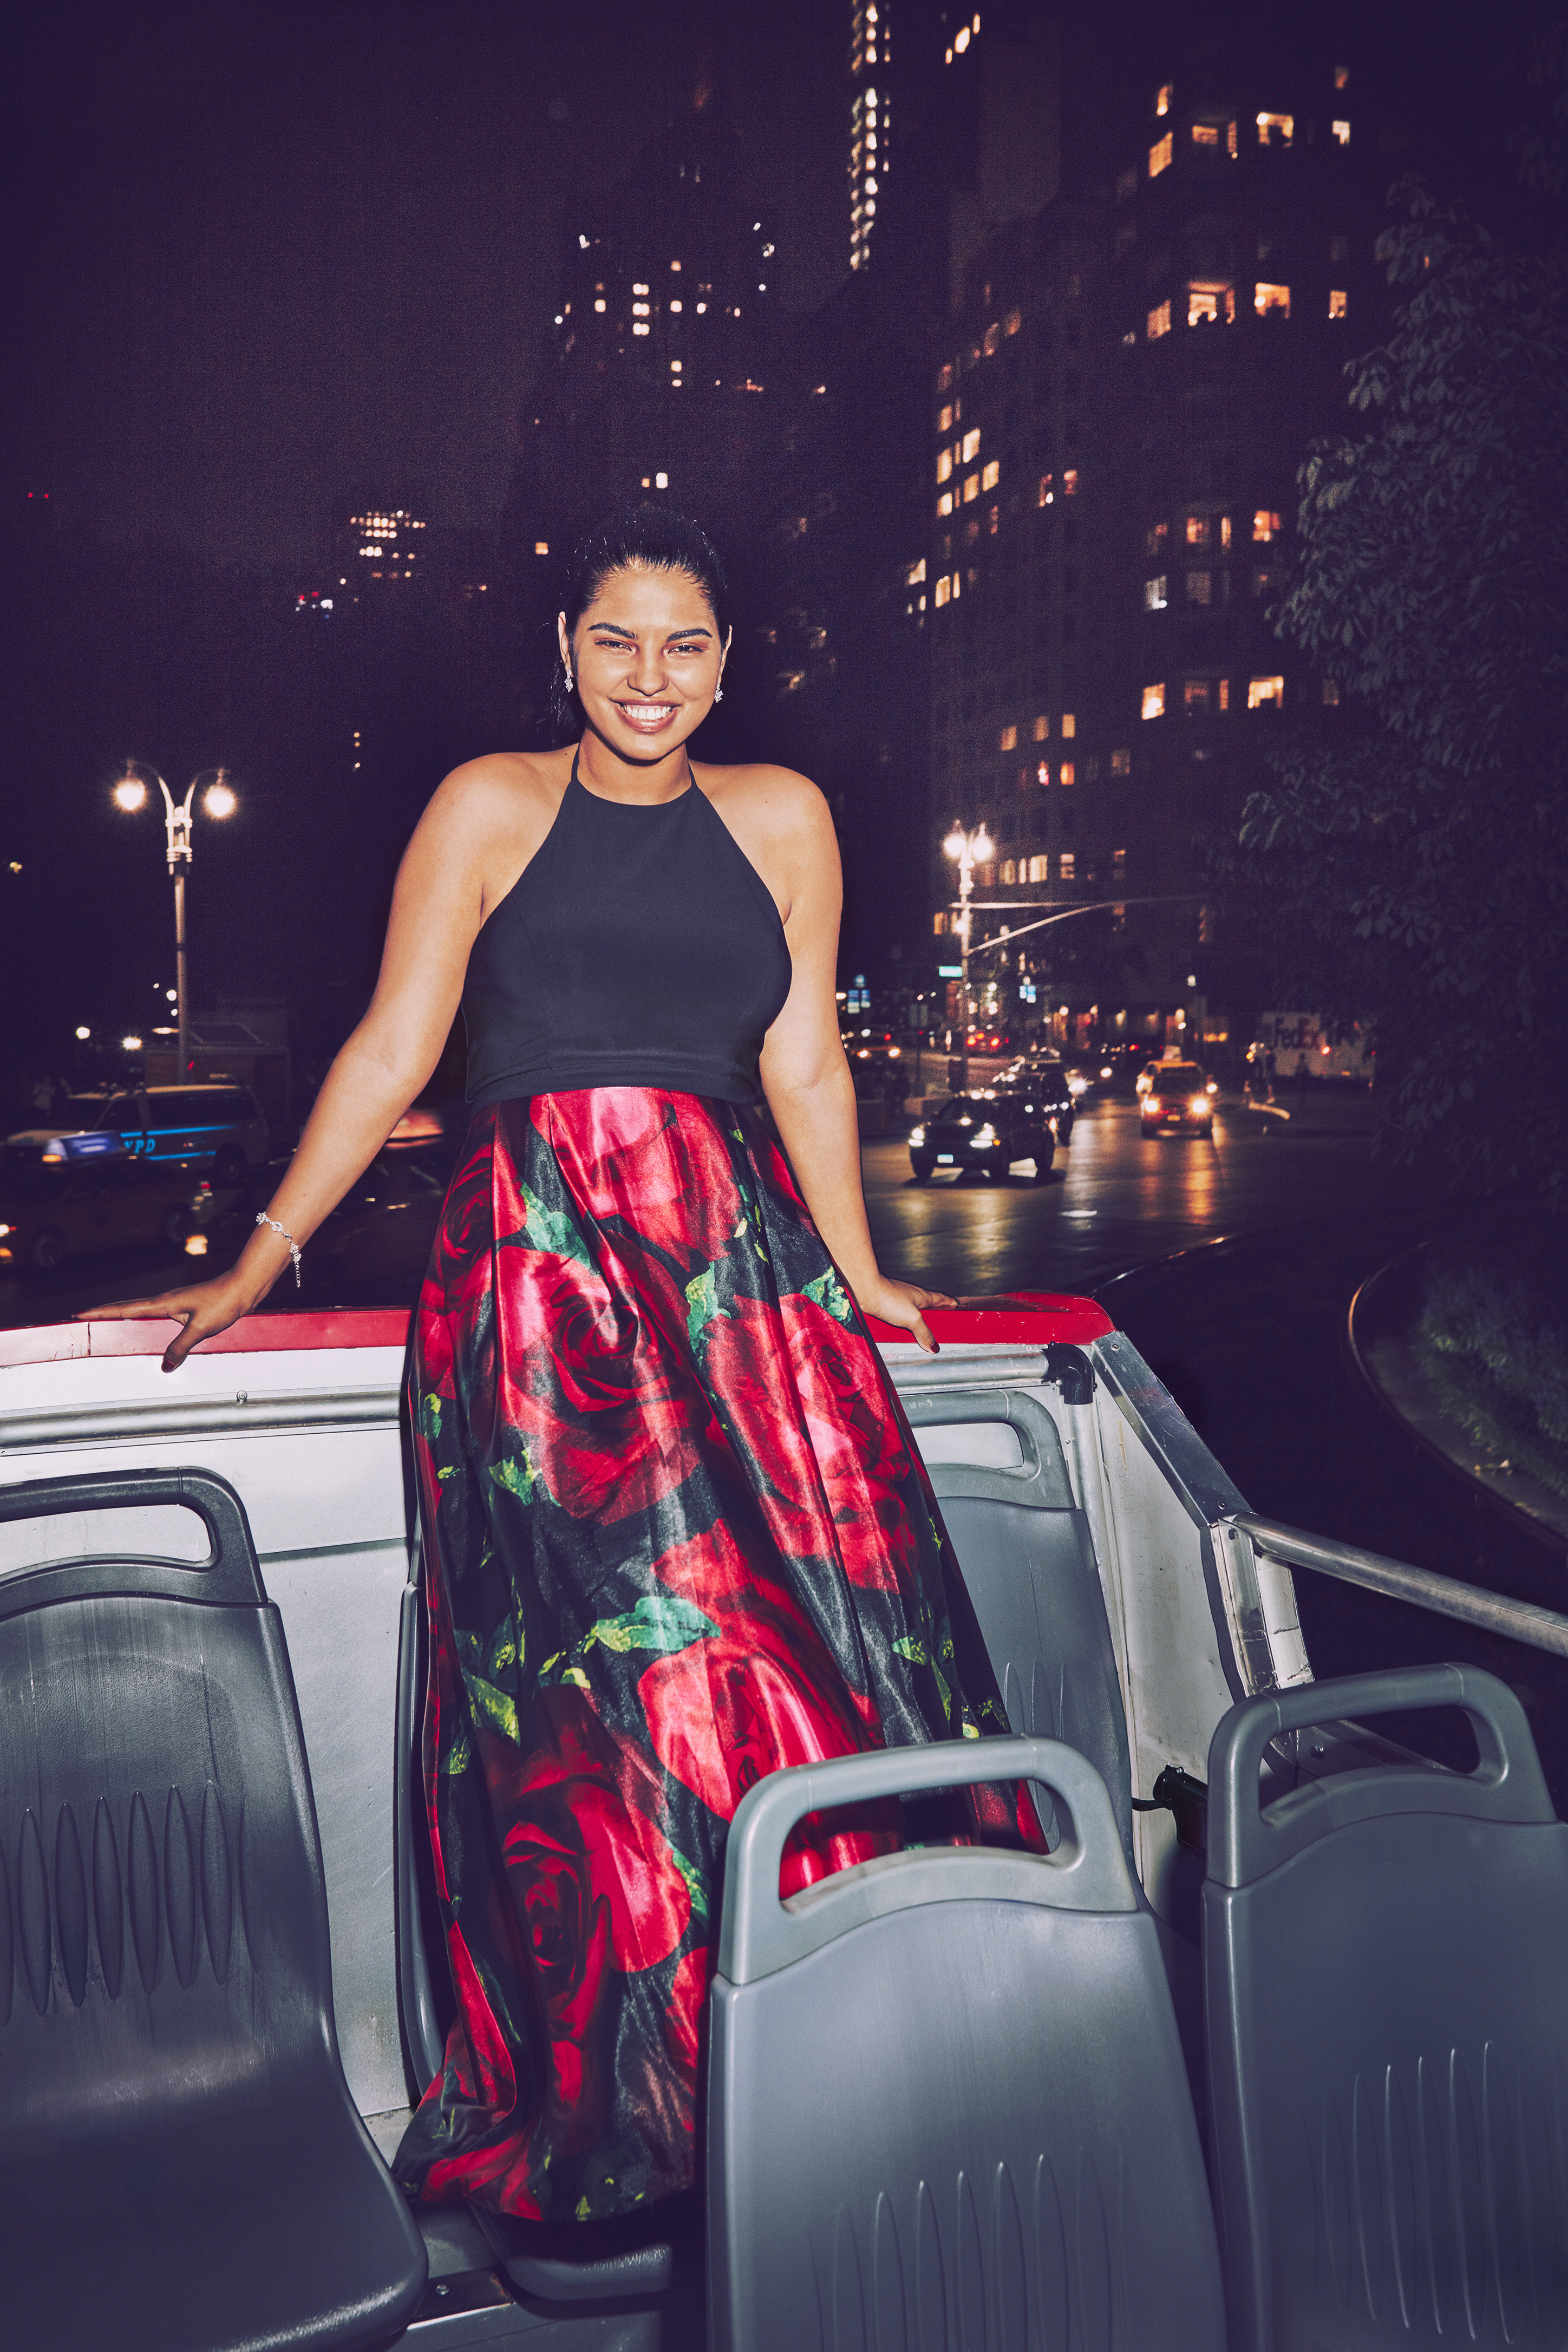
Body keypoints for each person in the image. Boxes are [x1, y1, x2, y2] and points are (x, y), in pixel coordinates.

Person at [81, 506, 1032, 2230]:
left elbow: (806, 1058)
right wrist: (261, 1254)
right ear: (566, 651)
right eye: (615, 642)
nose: (649, 678)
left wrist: (866, 1262)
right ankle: (643, 2109)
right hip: (544, 1301)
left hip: (744, 1290)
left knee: (822, 1650)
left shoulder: (787, 820)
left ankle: (847, 2049)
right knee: (608, 1708)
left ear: (729, 663)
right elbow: (394, 1045)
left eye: (684, 645)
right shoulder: (489, 805)